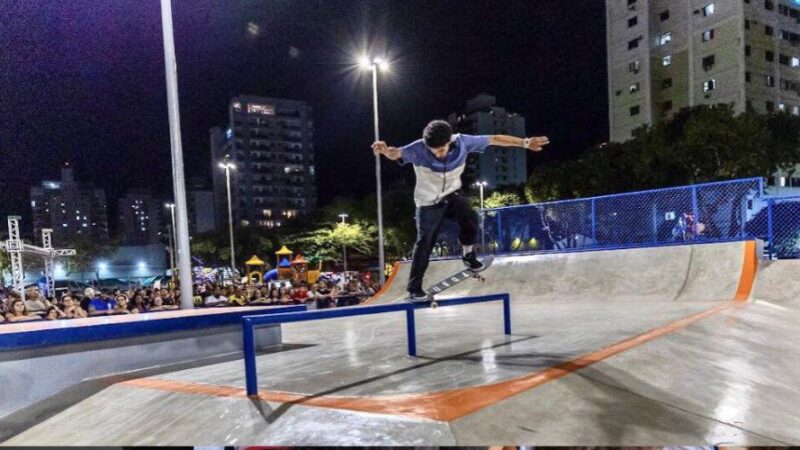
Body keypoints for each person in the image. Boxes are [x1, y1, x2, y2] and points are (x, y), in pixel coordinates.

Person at [372, 120, 549, 300]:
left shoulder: (464, 142)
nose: (440, 155)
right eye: (435, 151)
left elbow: (494, 139)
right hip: (428, 203)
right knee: (424, 242)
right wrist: (386, 150)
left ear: (450, 141)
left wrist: (525, 142)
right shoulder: (418, 148)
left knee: (471, 218)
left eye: (442, 149)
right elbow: (397, 153)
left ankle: (468, 255)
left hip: (452, 195)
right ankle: (414, 289)